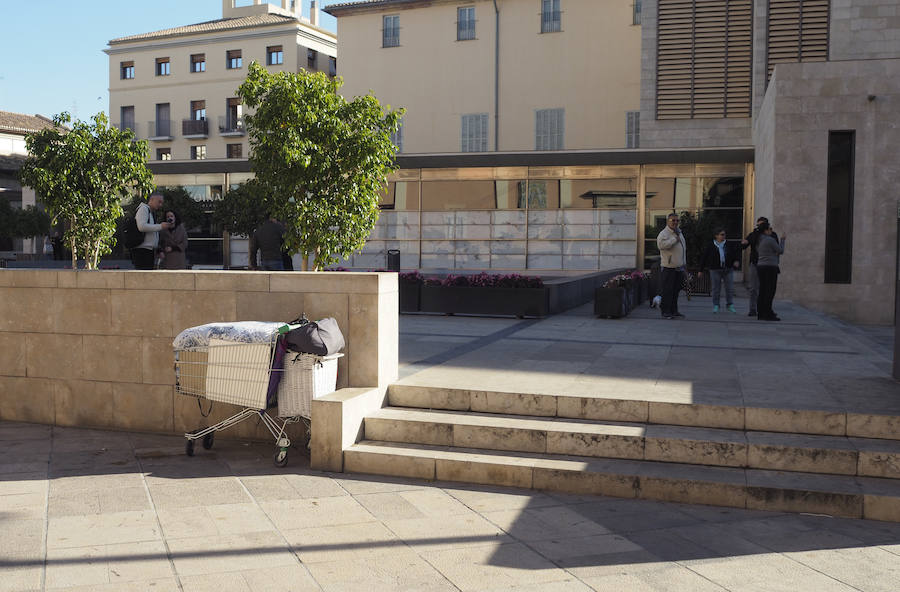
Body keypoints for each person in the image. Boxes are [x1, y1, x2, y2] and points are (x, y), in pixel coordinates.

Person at [741, 217, 778, 317]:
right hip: (755, 263)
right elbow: (745, 244)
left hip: (767, 265)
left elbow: (777, 250)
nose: (759, 227)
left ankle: (765, 309)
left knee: (767, 289)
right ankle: (753, 309)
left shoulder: (772, 235)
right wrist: (744, 243)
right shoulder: (754, 234)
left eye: (761, 225)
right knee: (754, 288)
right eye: (758, 225)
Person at [698, 228, 740, 313]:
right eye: (721, 234)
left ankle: (730, 304)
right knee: (716, 288)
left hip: (728, 269)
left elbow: (735, 253)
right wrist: (700, 270)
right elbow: (704, 257)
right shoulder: (711, 245)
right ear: (716, 235)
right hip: (715, 269)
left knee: (729, 288)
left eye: (724, 234)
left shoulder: (728, 244)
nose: (723, 236)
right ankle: (716, 305)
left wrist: (736, 261)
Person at [656, 212, 687, 319]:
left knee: (676, 291)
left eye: (677, 220)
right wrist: (674, 239)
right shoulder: (663, 233)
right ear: (668, 221)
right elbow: (661, 245)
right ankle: (665, 312)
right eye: (673, 220)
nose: (675, 222)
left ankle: (674, 311)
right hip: (669, 267)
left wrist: (684, 263)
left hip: (679, 267)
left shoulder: (679, 232)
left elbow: (683, 249)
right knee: (667, 291)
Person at [755, 221, 786, 321]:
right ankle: (767, 313)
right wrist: (782, 240)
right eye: (770, 229)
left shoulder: (758, 239)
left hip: (761, 266)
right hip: (770, 267)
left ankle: (761, 313)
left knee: (763, 290)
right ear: (766, 230)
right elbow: (780, 250)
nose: (771, 231)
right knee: (770, 291)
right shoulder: (769, 239)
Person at [132, 193, 171, 270]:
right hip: (142, 251)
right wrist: (160, 226)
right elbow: (142, 226)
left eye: (162, 202)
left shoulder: (150, 212)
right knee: (144, 276)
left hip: (148, 250)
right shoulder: (143, 209)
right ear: (152, 199)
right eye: (159, 202)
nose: (160, 205)